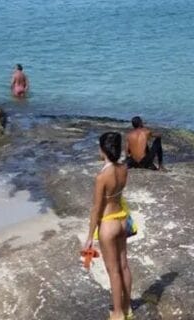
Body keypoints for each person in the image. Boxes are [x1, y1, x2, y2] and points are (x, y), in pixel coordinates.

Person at [85, 132, 132, 320]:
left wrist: (89, 237)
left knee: (113, 271)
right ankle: (127, 310)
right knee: (124, 267)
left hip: (108, 223)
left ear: (102, 149)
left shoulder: (101, 177)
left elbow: (96, 209)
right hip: (122, 220)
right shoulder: (124, 169)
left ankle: (118, 314)